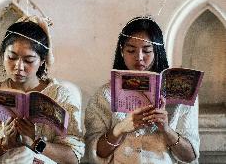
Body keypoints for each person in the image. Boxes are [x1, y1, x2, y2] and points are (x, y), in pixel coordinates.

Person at [0, 16, 84, 164]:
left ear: (42, 61)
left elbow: (73, 157)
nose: (19, 67)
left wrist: (35, 143)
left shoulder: (61, 96)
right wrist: (4, 144)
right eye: (12, 57)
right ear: (3, 56)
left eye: (28, 60)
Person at [84, 16, 199, 164]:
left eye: (147, 51)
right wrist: (119, 129)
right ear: (121, 51)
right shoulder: (104, 95)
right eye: (131, 50)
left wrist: (166, 129)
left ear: (157, 51)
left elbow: (190, 156)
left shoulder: (182, 94)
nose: (139, 57)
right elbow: (95, 153)